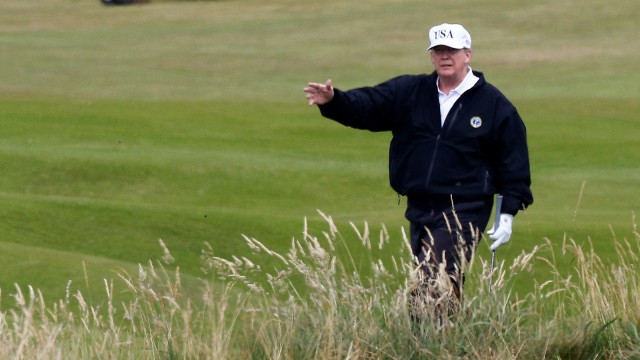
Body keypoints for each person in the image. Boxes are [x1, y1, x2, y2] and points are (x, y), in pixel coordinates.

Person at [304, 23, 533, 317]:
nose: (444, 56)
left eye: (452, 50)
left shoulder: (493, 105)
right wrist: (335, 101)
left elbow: (513, 160)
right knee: (441, 281)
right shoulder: (412, 92)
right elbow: (370, 105)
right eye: (438, 50)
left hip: (465, 207)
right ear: (431, 56)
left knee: (432, 281)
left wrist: (507, 212)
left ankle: (426, 344)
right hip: (420, 206)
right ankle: (446, 345)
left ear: (468, 54)